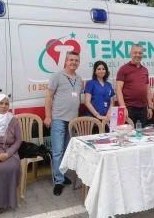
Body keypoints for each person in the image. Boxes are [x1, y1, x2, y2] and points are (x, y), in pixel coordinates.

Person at [44, 51, 82, 196]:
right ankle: (58, 181)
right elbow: (48, 97)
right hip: (59, 119)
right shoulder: (57, 76)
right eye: (71, 60)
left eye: (76, 60)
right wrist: (48, 116)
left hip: (72, 121)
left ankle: (62, 175)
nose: (74, 62)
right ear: (65, 61)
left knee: (67, 150)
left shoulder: (78, 79)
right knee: (58, 151)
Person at [116, 44, 153, 127]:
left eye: (140, 53)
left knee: (142, 133)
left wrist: (150, 107)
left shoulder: (145, 70)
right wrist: (123, 108)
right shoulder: (123, 69)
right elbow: (118, 89)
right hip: (129, 108)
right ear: (130, 54)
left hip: (143, 109)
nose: (138, 55)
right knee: (128, 134)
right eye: (135, 53)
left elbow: (147, 90)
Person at [85, 61, 115, 131]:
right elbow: (87, 102)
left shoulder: (109, 85)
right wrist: (98, 115)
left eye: (103, 69)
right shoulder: (90, 83)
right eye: (98, 69)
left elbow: (111, 102)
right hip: (93, 120)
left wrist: (109, 114)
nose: (101, 71)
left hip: (106, 120)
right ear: (95, 71)